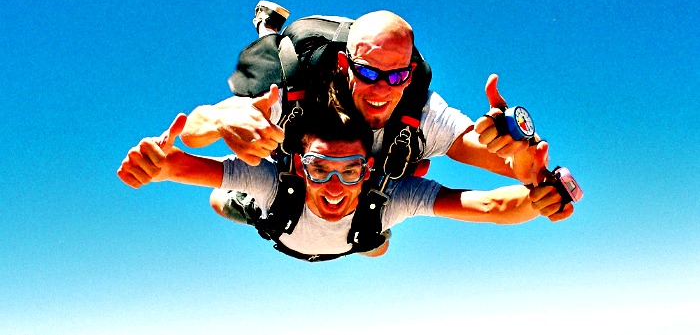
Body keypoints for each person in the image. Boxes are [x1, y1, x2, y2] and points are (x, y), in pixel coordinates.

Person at [180, 9, 575, 220]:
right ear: (343, 64)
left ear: (410, 76)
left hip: (357, 198)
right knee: (220, 200)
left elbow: (508, 170)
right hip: (294, 173)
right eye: (367, 73)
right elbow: (193, 133)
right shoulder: (296, 95)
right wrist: (223, 119)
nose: (382, 90)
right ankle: (269, 28)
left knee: (375, 246)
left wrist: (520, 154)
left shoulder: (421, 111)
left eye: (397, 75)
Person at [117, 107, 567, 261]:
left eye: (350, 171)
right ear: (299, 165)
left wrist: (537, 198)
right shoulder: (277, 183)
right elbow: (178, 165)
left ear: (368, 171)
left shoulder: (388, 197)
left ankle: (372, 239)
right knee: (220, 201)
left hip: (360, 236)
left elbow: (492, 206)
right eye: (319, 169)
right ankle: (243, 206)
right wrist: (154, 164)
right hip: (278, 223)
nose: (334, 187)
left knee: (378, 243)